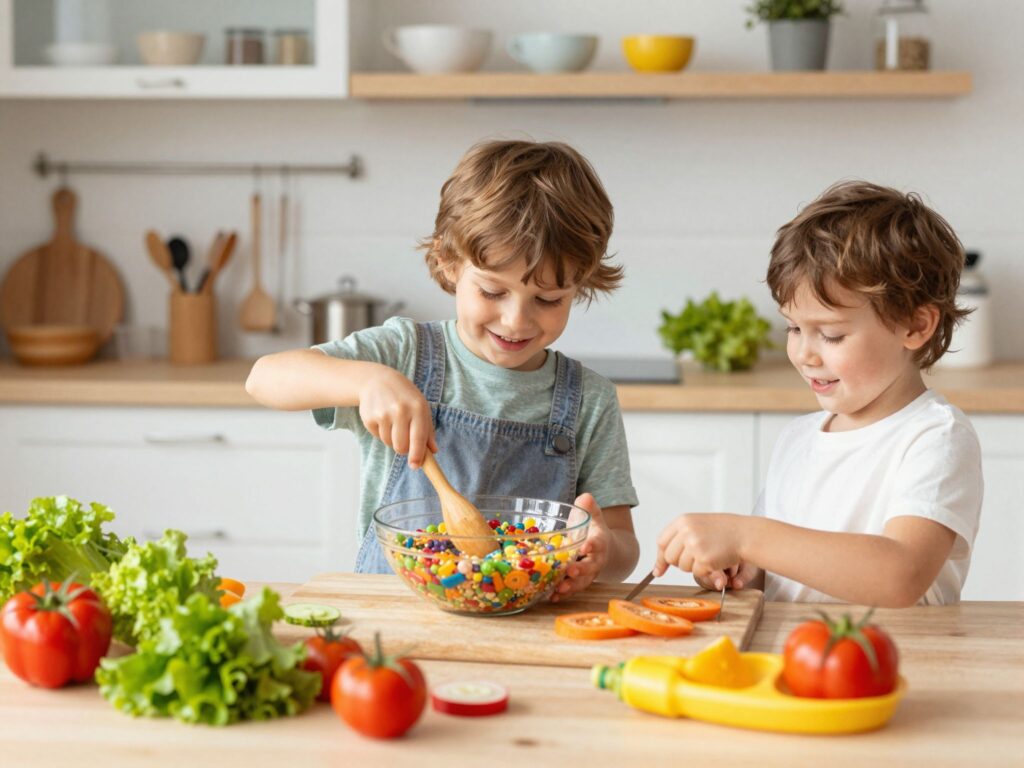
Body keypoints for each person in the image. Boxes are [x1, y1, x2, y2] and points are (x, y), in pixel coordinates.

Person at [246, 139, 640, 598]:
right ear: (449, 263)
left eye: (548, 300)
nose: (516, 320)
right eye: (493, 292)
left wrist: (602, 549)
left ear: (581, 286)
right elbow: (264, 378)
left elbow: (624, 546)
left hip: (529, 625)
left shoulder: (589, 401)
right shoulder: (404, 354)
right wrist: (367, 379)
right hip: (391, 616)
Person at [653, 181, 983, 606]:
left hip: (893, 666)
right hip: (798, 662)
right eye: (793, 328)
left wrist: (746, 535)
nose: (804, 354)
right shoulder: (798, 438)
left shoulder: (935, 437)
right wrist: (737, 568)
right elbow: (774, 573)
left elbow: (900, 575)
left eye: (830, 334)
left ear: (916, 326)